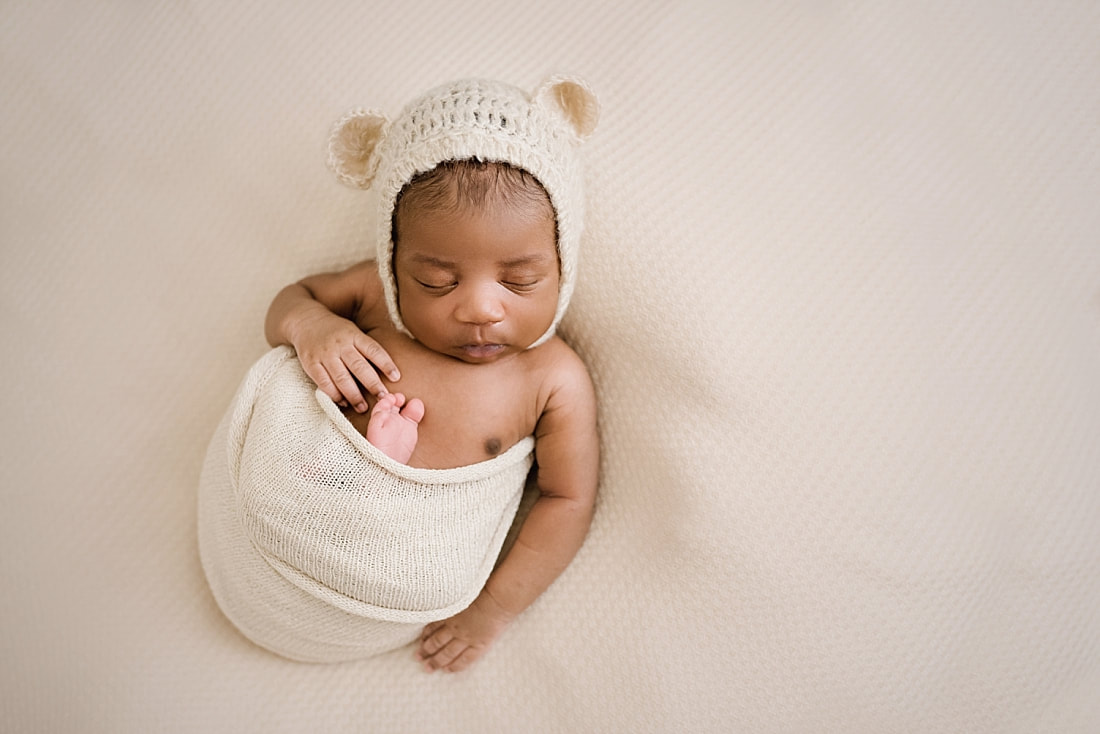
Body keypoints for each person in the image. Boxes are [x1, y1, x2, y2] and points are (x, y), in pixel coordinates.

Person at [262, 76, 600, 672]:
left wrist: (493, 607)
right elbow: (289, 303)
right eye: (436, 281)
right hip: (281, 526)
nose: (479, 310)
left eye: (520, 281)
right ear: (394, 263)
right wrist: (311, 326)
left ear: (563, 264)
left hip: (394, 579)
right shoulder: (373, 297)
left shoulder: (552, 379)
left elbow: (568, 500)